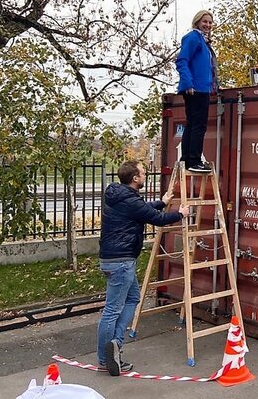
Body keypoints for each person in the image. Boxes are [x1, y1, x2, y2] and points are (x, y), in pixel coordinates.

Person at [97, 160, 190, 376]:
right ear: (135, 178)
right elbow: (157, 219)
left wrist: (161, 201)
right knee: (112, 310)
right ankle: (106, 357)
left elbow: (142, 210)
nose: (145, 175)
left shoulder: (118, 195)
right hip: (122, 261)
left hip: (112, 258)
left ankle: (113, 347)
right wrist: (181, 214)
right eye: (143, 172)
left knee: (132, 299)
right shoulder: (130, 200)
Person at [175, 9, 219, 173]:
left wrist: (213, 86)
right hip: (195, 89)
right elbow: (181, 60)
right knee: (198, 125)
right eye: (204, 21)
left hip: (202, 88)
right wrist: (188, 83)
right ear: (197, 22)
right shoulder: (193, 37)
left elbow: (205, 67)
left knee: (192, 124)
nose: (207, 25)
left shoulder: (203, 41)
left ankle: (187, 159)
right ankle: (194, 160)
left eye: (210, 22)